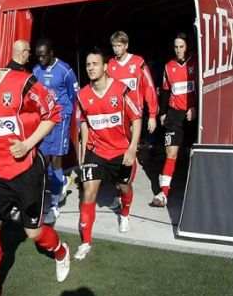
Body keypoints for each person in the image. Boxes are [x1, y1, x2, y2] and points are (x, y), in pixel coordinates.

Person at [0, 42, 70, 296]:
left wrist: (28, 143)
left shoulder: (23, 83)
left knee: (33, 233)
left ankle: (61, 251)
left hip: (26, 171)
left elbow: (52, 115)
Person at [74, 48, 142, 260]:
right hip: (96, 151)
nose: (91, 68)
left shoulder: (121, 91)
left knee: (124, 186)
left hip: (121, 151)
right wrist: (84, 148)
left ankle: (125, 212)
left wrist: (132, 148)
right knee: (89, 192)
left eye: (95, 64)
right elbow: (84, 121)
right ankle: (85, 241)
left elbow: (137, 118)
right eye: (88, 65)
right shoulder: (82, 95)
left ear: (105, 66)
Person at [33, 38, 79, 224]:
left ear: (51, 52)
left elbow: (74, 93)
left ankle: (54, 205)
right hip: (44, 120)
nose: (41, 59)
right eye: (38, 56)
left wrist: (65, 112)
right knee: (43, 160)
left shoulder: (65, 70)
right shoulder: (36, 71)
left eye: (43, 55)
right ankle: (61, 183)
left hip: (61, 119)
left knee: (56, 159)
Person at [150, 33, 198, 208]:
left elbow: (204, 88)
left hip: (193, 114)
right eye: (176, 47)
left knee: (192, 154)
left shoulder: (196, 63)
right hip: (175, 114)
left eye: (181, 46)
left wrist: (196, 108)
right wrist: (162, 112)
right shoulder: (169, 66)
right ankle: (164, 193)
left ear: (188, 47)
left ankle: (194, 191)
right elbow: (165, 91)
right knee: (171, 153)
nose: (178, 50)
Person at [108, 31, 159, 176]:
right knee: (121, 146)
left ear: (126, 45)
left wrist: (153, 114)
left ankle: (126, 179)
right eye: (114, 46)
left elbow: (149, 87)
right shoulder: (110, 65)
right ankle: (123, 179)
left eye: (119, 45)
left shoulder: (138, 62)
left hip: (135, 114)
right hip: (117, 113)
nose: (116, 49)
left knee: (131, 145)